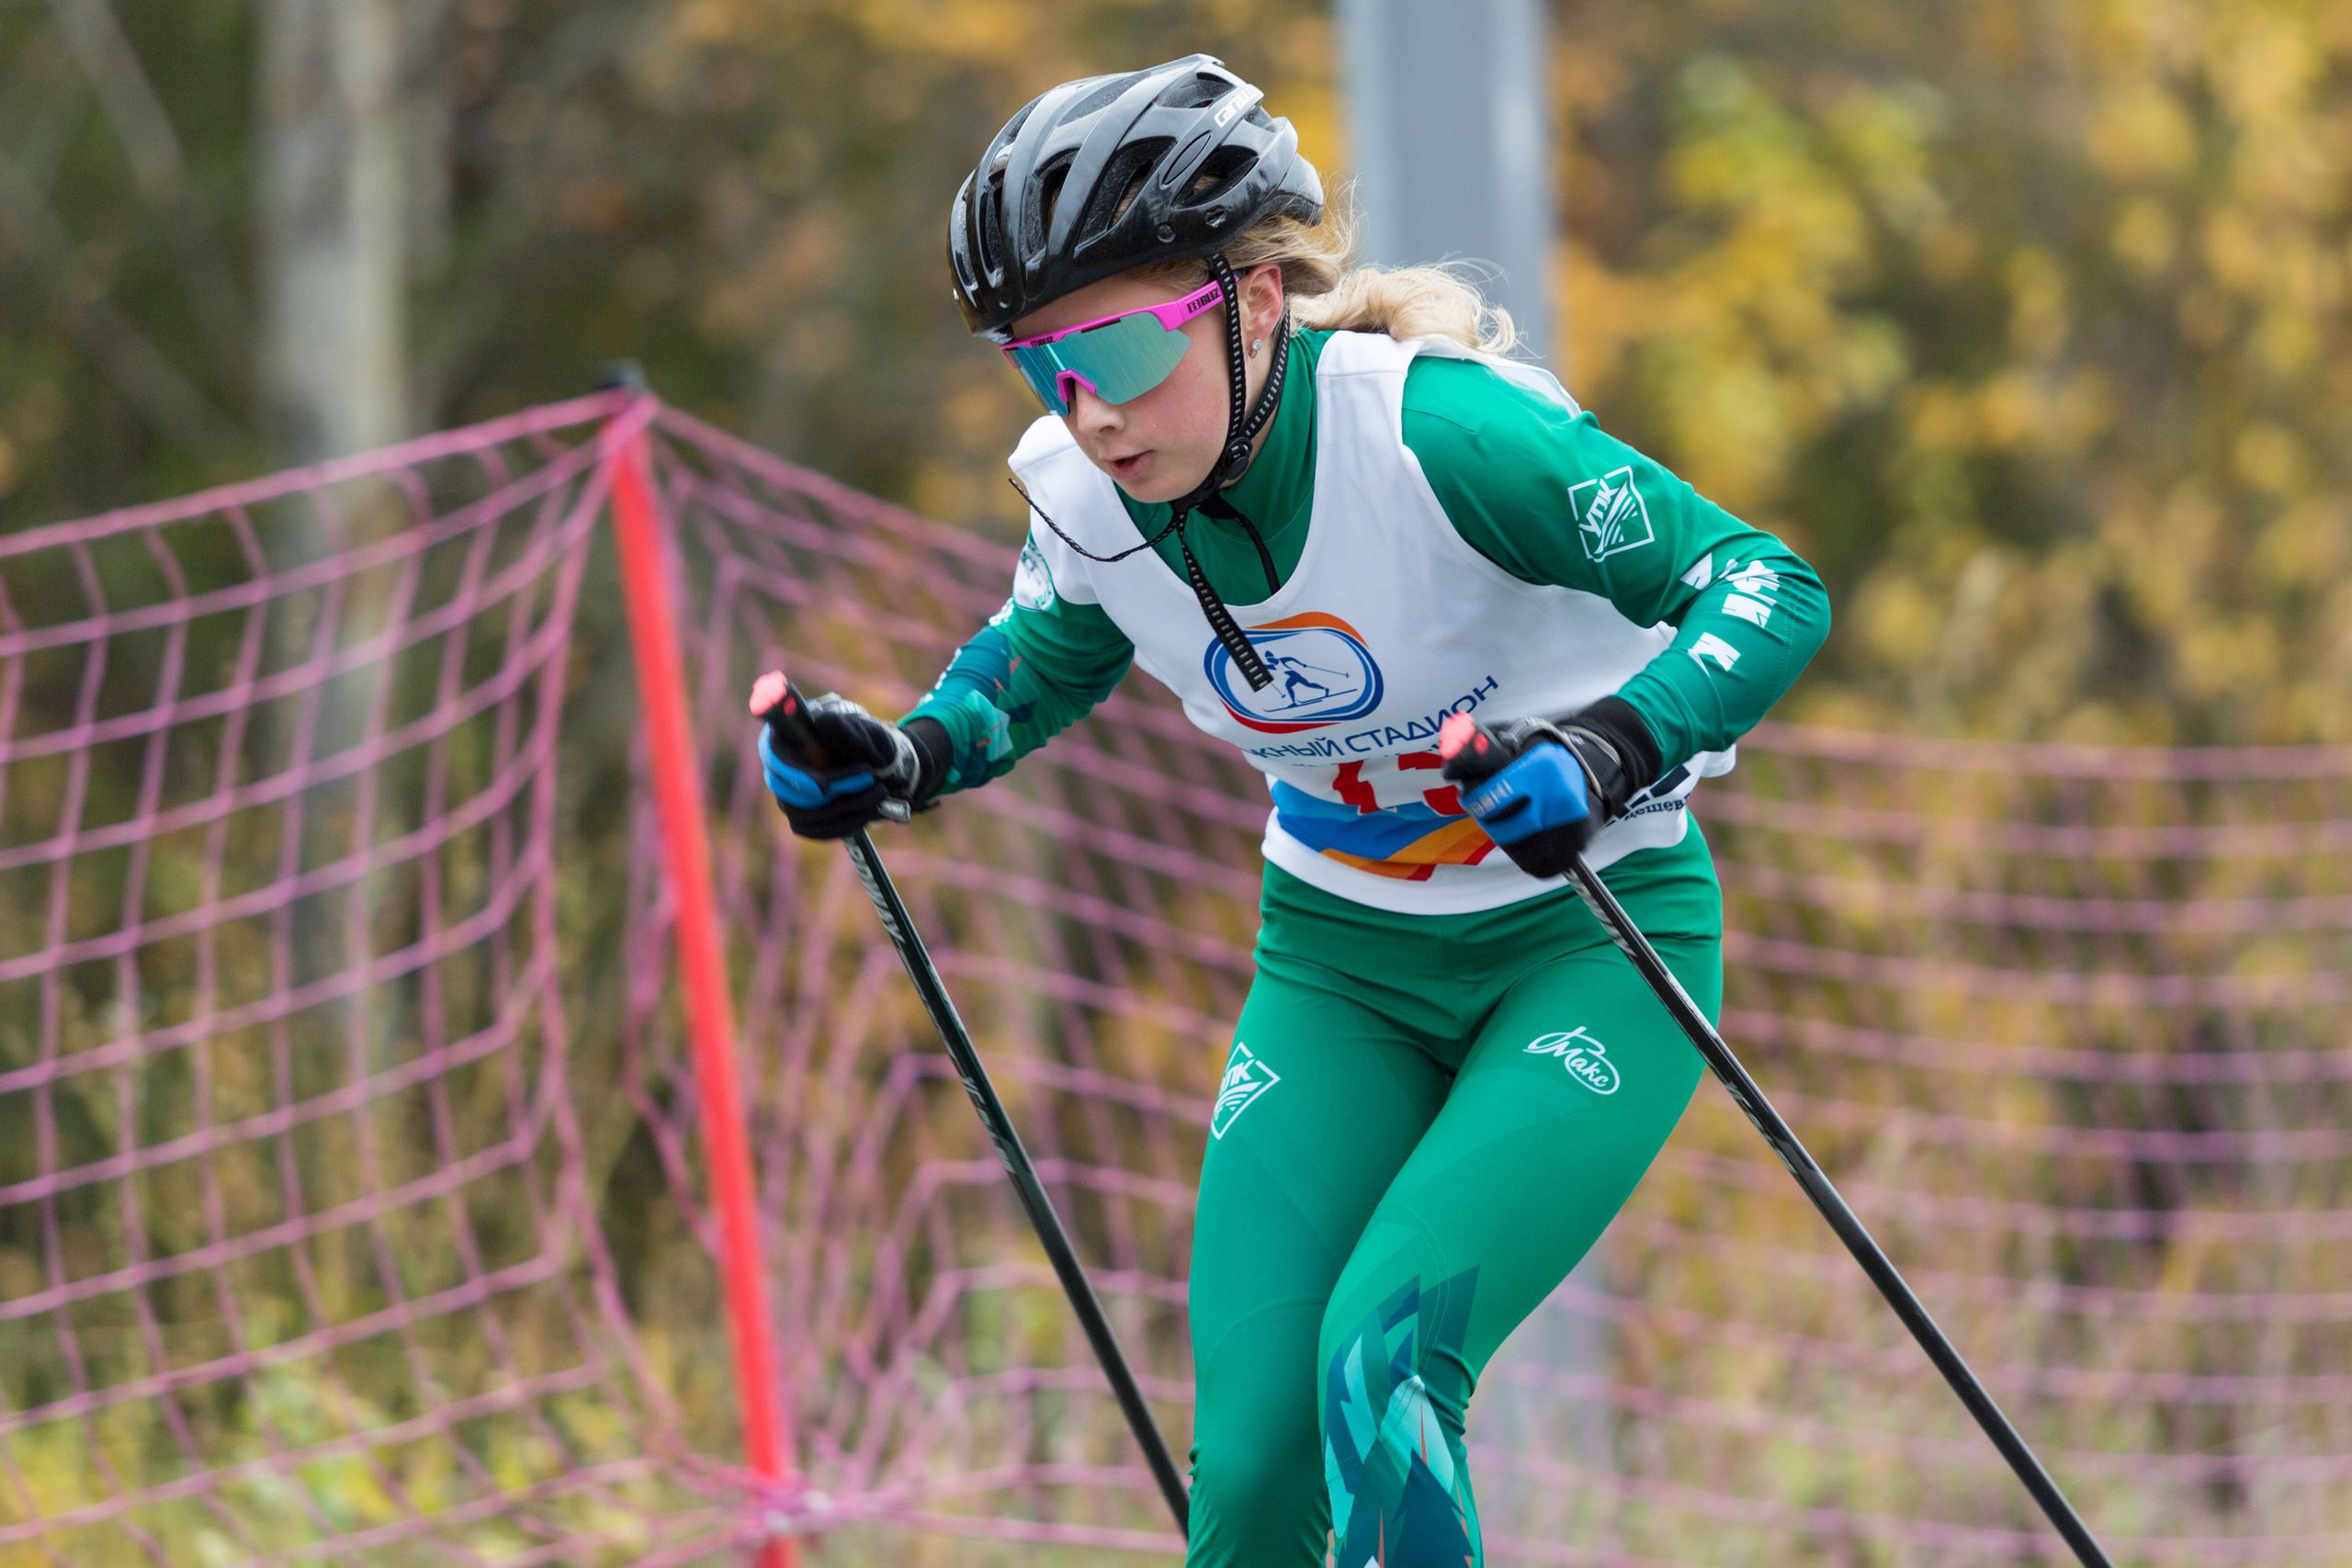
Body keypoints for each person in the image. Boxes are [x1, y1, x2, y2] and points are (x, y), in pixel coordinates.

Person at [751, 54, 1830, 1568]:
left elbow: (1767, 582)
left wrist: (1607, 746)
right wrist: (908, 755)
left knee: (1381, 1373)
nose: (1087, 411)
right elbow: (1044, 656)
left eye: (1118, 354)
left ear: (1255, 301)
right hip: (1336, 963)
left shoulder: (1438, 436)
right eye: (1036, 365)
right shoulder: (1089, 487)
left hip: (1586, 951)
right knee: (1253, 1469)